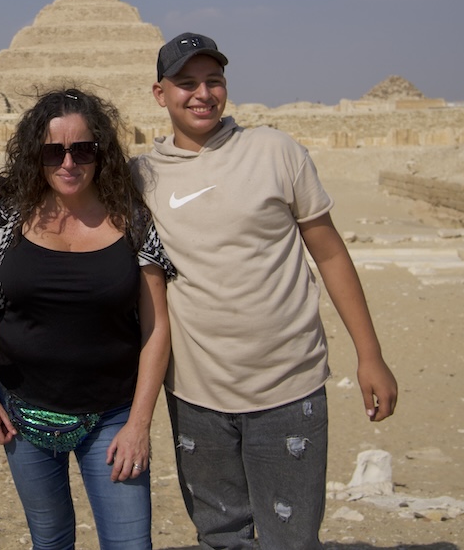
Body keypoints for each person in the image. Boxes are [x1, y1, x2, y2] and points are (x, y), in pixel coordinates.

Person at [131, 33, 399, 550]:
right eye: (186, 83)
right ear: (160, 94)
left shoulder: (276, 151)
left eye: (213, 81)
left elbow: (330, 253)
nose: (202, 94)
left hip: (287, 386)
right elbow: (52, 189)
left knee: (291, 540)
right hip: (194, 394)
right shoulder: (140, 177)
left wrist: (371, 355)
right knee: (220, 537)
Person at [0, 89, 173, 550]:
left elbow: (157, 326)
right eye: (52, 151)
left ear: (100, 152)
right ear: (34, 155)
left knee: (129, 544)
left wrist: (139, 423)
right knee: (51, 541)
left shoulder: (134, 220)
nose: (68, 162)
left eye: (83, 149)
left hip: (112, 415)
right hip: (22, 409)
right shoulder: (8, 216)